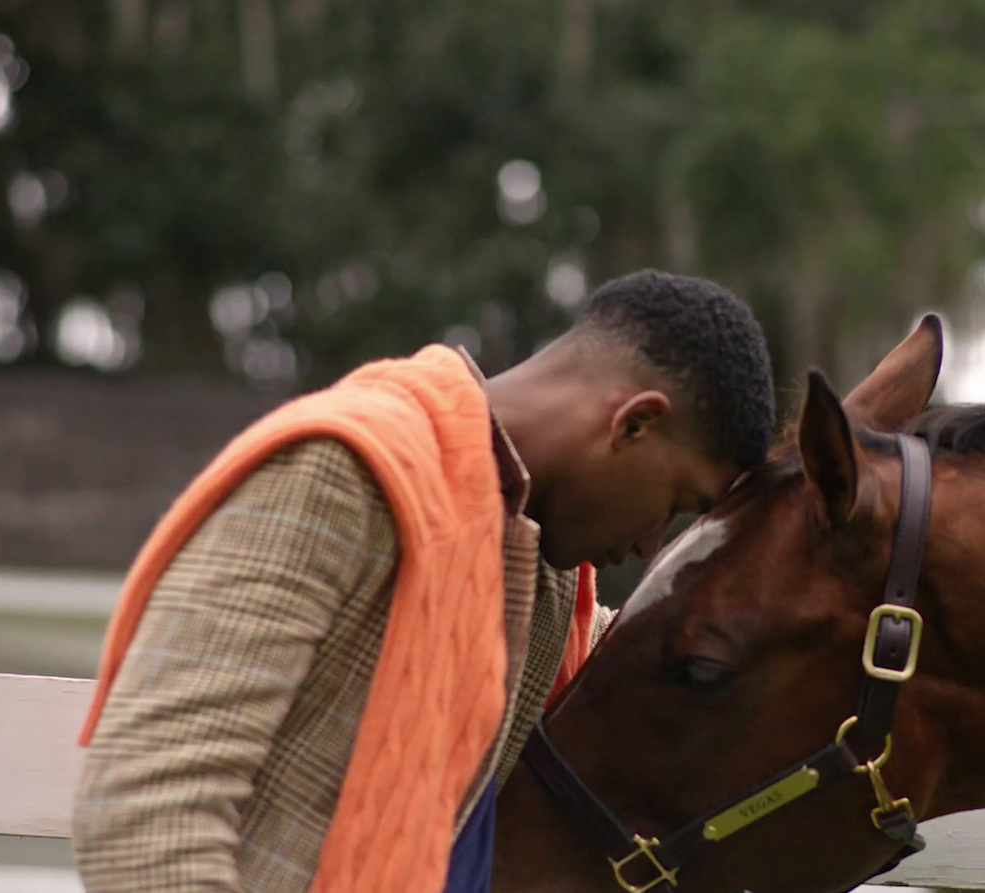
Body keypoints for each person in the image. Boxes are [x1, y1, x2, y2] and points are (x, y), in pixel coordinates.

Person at [70, 269, 776, 893]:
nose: (651, 542)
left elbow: (664, 656)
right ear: (635, 424)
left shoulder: (541, 567)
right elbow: (148, 812)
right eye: (677, 505)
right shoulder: (341, 472)